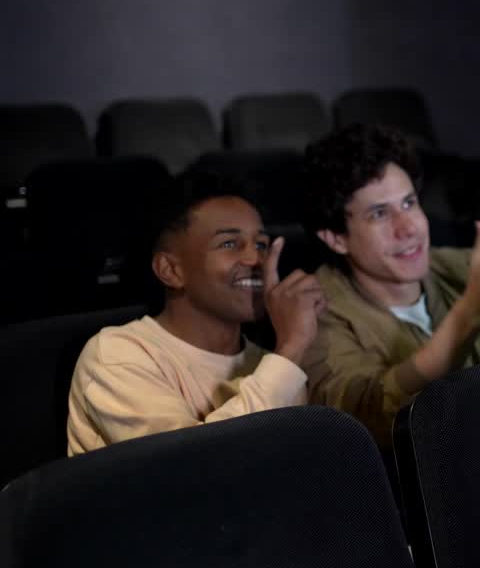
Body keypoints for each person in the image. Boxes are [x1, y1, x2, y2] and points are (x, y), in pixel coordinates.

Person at [300, 124, 480, 447]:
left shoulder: (466, 267)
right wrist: (470, 315)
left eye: (409, 203)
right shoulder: (315, 312)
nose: (408, 228)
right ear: (336, 238)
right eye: (380, 214)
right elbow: (366, 417)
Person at [67, 170, 323, 455]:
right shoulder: (118, 354)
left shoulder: (273, 365)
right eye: (229, 244)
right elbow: (192, 467)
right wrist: (290, 350)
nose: (255, 259)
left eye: (261, 244)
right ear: (171, 270)